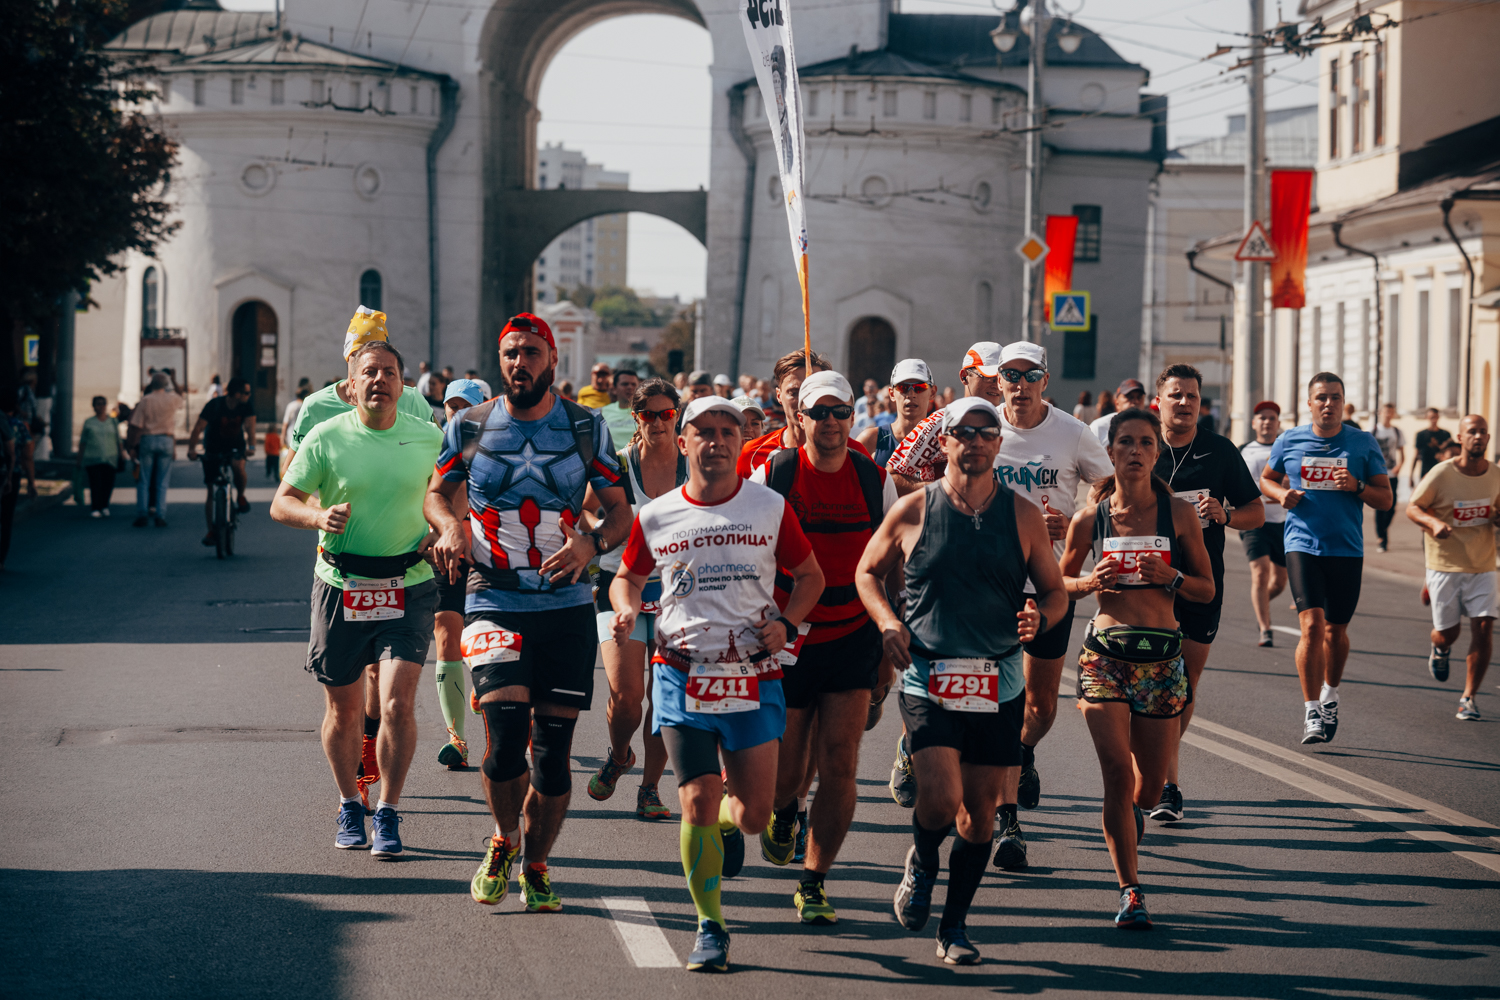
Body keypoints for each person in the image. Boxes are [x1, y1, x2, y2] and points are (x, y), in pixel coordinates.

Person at [609, 394, 822, 972]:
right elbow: (626, 578)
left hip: (752, 676)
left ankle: (735, 817)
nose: (719, 440)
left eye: (729, 430)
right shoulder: (656, 515)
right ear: (685, 443)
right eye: (705, 431)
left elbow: (810, 576)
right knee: (695, 800)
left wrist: (787, 622)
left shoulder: (769, 506)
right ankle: (710, 925)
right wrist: (627, 610)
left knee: (753, 815)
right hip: (680, 673)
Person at [427, 312, 631, 913]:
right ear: (501, 361)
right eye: (511, 353)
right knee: (503, 743)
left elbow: (620, 512)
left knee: (552, 755)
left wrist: (591, 544)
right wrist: (448, 528)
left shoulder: (586, 427)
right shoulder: (469, 426)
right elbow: (438, 493)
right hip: (492, 598)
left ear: (552, 361)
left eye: (532, 353)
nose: (521, 363)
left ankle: (537, 864)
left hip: (567, 605)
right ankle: (503, 839)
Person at [889, 342, 1114, 870]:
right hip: (978, 587)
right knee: (988, 704)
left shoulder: (1070, 432)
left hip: (1046, 584)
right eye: (1005, 375)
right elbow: (897, 470)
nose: (1013, 383)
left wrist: (1078, 520)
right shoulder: (963, 421)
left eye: (1026, 374)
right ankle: (1002, 816)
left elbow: (1108, 489)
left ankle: (1017, 757)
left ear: (1044, 378)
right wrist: (941, 507)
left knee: (1037, 709)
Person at [857, 396, 1066, 965]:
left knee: (978, 816)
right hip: (929, 674)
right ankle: (923, 861)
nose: (974, 442)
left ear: (999, 445)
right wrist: (887, 621)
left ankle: (954, 929)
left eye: (985, 433)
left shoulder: (1022, 514)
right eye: (963, 433)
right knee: (941, 798)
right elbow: (867, 572)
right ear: (943, 442)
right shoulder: (913, 509)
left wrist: (1040, 616)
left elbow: (1054, 589)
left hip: (998, 680)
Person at [270, 339, 445, 858]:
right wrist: (317, 517)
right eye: (369, 372)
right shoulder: (325, 437)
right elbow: (283, 502)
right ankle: (350, 801)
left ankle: (388, 811)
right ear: (350, 385)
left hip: (408, 582)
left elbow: (453, 494)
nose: (379, 381)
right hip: (342, 584)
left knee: (395, 702)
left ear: (402, 383)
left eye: (389, 373)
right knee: (344, 711)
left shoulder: (428, 437)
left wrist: (443, 529)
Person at [749, 369, 897, 925]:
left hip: (854, 633)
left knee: (841, 763)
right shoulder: (777, 473)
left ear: (853, 416)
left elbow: (891, 565)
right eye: (820, 412)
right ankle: (785, 809)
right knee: (789, 771)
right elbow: (752, 554)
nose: (831, 422)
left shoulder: (870, 477)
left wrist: (889, 634)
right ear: (799, 417)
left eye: (841, 412)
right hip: (790, 633)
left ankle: (814, 880)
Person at [1059, 407, 1215, 928]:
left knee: (1146, 789)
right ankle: (1130, 890)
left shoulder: (1179, 516)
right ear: (1111, 452)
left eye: (1145, 443)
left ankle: (1130, 823)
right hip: (1105, 656)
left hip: (1162, 660)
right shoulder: (1092, 519)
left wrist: (1170, 577)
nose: (1134, 451)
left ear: (1156, 452)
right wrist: (1090, 583)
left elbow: (1206, 589)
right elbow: (1059, 584)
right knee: (1113, 778)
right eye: (1124, 442)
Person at [1147, 364, 1265, 823]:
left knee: (1183, 686)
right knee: (1158, 682)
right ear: (1160, 400)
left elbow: (1255, 511)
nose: (1185, 402)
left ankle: (1163, 777)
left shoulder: (1218, 451)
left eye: (1192, 396)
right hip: (1147, 583)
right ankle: (1167, 784)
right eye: (1176, 394)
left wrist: (1225, 514)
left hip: (1200, 583)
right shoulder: (1141, 448)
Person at [1261, 373, 1393, 745]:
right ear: (1309, 403)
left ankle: (1330, 694)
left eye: (1335, 397)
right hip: (1302, 544)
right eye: (1321, 397)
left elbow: (1385, 500)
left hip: (1346, 548)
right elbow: (1266, 481)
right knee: (1312, 627)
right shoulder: (1290, 439)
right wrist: (1279, 495)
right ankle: (1311, 712)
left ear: (1343, 402)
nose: (1328, 404)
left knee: (1336, 632)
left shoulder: (1362, 443)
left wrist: (1358, 486)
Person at [585, 378, 685, 820]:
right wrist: (606, 532)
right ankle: (620, 754)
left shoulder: (692, 465)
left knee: (663, 698)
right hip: (621, 585)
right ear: (635, 419)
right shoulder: (620, 465)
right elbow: (586, 508)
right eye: (649, 415)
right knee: (627, 696)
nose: (658, 422)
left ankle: (650, 788)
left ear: (677, 415)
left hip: (677, 595)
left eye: (666, 414)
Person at [1407, 415, 1499, 722]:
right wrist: (1433, 523)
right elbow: (1413, 507)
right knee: (1447, 633)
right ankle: (1440, 649)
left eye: (1483, 432)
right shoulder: (1441, 474)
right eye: (1472, 432)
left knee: (1485, 627)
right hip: (1445, 564)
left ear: (1488, 438)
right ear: (1460, 437)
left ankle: (1469, 698)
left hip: (1483, 564)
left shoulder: (1496, 474)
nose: (1478, 437)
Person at [429, 378, 489, 770]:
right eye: (451, 405)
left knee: (485, 644)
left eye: (466, 406)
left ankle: (487, 691)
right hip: (446, 554)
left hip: (489, 555)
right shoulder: (430, 447)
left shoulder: (501, 448)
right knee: (447, 634)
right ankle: (458, 738)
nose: (456, 413)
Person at [1239, 401, 1289, 647]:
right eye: (1262, 417)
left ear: (1278, 423)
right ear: (1254, 423)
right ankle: (1265, 629)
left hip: (1283, 522)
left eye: (1272, 418)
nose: (1267, 422)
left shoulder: (1287, 449)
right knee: (1260, 572)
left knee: (1279, 582)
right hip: (1254, 521)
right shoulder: (1243, 450)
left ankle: (1262, 605)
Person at [187, 377, 257, 546]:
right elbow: (198, 427)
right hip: (213, 447)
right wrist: (191, 449)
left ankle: (240, 496)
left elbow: (250, 427)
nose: (249, 395)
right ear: (237, 394)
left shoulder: (246, 406)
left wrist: (252, 446)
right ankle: (211, 530)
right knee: (211, 489)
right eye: (246, 393)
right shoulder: (214, 405)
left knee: (237, 466)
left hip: (235, 446)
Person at [128, 372, 183, 528]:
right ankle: (160, 514)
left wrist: (132, 446)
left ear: (151, 384)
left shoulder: (146, 400)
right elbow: (181, 396)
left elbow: (136, 425)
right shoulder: (172, 398)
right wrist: (174, 379)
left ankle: (142, 514)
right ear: (166, 385)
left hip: (148, 438)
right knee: (162, 481)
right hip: (166, 439)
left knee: (144, 480)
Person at [858, 360, 933, 470]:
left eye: (919, 387)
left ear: (932, 393)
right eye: (903, 387)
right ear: (892, 394)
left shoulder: (945, 443)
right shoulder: (870, 440)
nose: (911, 394)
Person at [78, 396, 121, 517]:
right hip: (93, 457)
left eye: (103, 404)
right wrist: (79, 458)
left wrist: (121, 454)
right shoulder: (89, 422)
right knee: (95, 483)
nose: (101, 406)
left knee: (108, 483)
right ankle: (95, 507)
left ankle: (105, 505)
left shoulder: (112, 421)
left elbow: (118, 439)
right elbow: (83, 441)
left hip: (110, 457)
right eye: (98, 404)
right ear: (93, 406)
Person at [1373, 403, 1406, 553]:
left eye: (1391, 412)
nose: (1388, 415)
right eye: (1386, 412)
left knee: (1391, 507)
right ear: (1381, 412)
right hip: (1377, 473)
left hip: (1392, 473)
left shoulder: (1397, 432)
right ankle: (1382, 539)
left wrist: (1399, 465)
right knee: (1380, 507)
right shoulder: (1373, 431)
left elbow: (1402, 453)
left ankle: (1383, 529)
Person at [1091, 379, 1146, 445]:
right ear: (1117, 403)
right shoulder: (1099, 428)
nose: (1135, 401)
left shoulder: (1151, 428)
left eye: (1139, 397)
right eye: (1129, 397)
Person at [600, 368, 640, 449]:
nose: (630, 387)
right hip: (611, 460)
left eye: (633, 384)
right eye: (625, 384)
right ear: (614, 389)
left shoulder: (645, 412)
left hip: (638, 460)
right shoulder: (603, 412)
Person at [1413, 408, 1452, 487]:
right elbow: (1416, 455)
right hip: (1426, 471)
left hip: (1442, 472)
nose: (1433, 420)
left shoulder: (1445, 434)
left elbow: (1450, 455)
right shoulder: (1421, 435)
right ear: (1426, 417)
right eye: (1431, 417)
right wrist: (1411, 475)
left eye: (1435, 417)